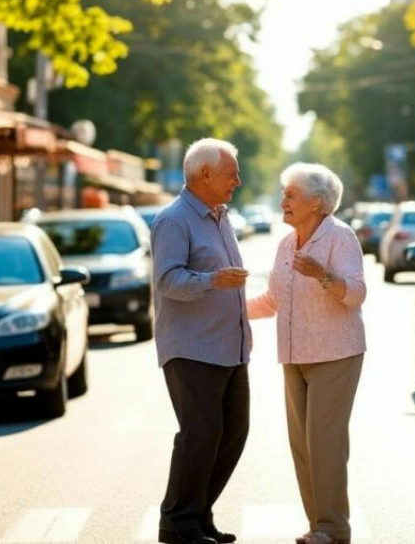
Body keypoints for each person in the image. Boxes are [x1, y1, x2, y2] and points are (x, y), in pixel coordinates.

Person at [247, 163, 366, 544]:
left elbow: (356, 294)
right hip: (294, 357)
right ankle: (319, 525)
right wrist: (226, 307)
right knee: (302, 445)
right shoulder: (286, 244)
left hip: (336, 354)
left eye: (291, 195)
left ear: (317, 203)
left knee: (325, 442)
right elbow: (273, 301)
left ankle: (334, 528)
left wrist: (322, 275)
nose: (284, 201)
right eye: (284, 194)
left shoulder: (340, 237)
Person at [151, 138, 252, 544]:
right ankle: (177, 524)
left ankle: (198, 515)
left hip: (231, 348)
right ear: (205, 173)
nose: (238, 180)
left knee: (232, 434)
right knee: (200, 435)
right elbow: (166, 280)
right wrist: (212, 281)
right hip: (192, 349)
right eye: (232, 173)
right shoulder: (174, 220)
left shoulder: (220, 215)